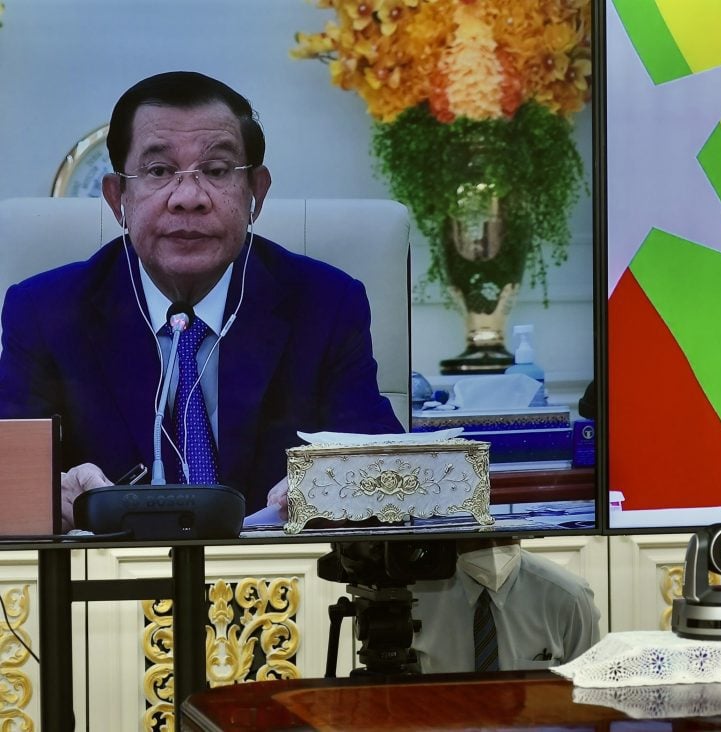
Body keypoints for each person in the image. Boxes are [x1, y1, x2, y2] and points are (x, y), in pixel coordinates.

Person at [0, 72, 402, 527]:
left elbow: (388, 467)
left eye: (215, 171)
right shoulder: (44, 313)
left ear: (256, 192)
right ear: (117, 199)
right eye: (158, 171)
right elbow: (9, 478)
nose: (188, 198)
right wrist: (52, 494)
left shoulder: (325, 305)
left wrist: (339, 484)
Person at [410, 538, 601, 672]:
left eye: (505, 534)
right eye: (478, 535)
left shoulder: (569, 597)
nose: (492, 546)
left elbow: (587, 691)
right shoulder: (415, 595)